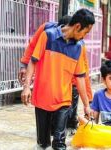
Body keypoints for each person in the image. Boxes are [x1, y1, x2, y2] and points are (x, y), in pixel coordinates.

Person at [21, 8, 95, 149]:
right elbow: (33, 61)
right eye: (85, 32)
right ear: (78, 26)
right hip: (42, 98)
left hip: (63, 101)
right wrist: (26, 87)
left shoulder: (78, 47)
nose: (85, 37)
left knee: (60, 143)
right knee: (43, 144)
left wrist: (86, 104)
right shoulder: (47, 36)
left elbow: (80, 78)